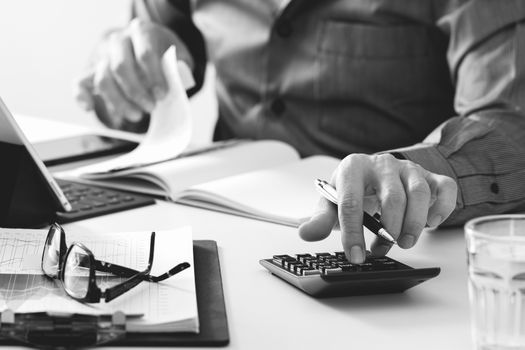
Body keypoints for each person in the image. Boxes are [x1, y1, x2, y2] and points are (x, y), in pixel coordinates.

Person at [76, 0, 525, 263]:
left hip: (389, 249)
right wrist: (118, 65)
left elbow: (511, 116)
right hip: (205, 232)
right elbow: (143, 68)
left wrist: (416, 170)